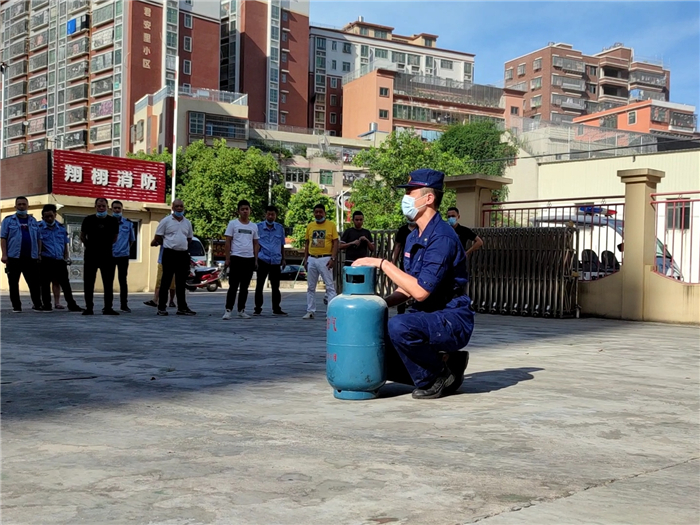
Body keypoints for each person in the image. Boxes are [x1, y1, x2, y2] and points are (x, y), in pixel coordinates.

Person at [352, 168, 474, 400]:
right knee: (375, 330)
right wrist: (379, 304)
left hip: (451, 316)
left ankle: (437, 375)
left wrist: (382, 264)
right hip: (427, 315)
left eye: (410, 192)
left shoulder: (442, 238)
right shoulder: (413, 236)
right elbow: (408, 287)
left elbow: (419, 291)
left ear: (428, 198)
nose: (405, 198)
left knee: (399, 327)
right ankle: (449, 364)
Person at [151, 199, 196, 316]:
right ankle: (161, 307)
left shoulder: (187, 223)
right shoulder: (166, 221)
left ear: (184, 208)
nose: (179, 208)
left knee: (181, 282)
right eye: (177, 206)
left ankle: (182, 307)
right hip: (169, 253)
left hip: (182, 254)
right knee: (166, 281)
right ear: (172, 207)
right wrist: (168, 243)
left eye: (181, 206)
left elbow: (189, 238)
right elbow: (158, 237)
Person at [37, 204, 83, 312]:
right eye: (46, 217)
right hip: (46, 259)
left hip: (59, 260)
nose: (49, 219)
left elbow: (64, 244)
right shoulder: (39, 228)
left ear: (55, 215)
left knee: (65, 284)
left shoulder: (61, 228)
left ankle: (71, 304)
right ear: (43, 217)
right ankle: (47, 305)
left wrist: (66, 257)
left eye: (51, 216)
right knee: (45, 284)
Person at [1, 196, 43, 312]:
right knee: (13, 283)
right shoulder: (8, 220)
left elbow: (39, 238)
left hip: (31, 257)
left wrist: (39, 253)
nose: (21, 206)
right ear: (15, 206)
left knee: (34, 283)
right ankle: (16, 306)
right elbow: (3, 238)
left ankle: (37, 304)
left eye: (24, 204)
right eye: (19, 204)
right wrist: (4, 254)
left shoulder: (33, 221)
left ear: (28, 206)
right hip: (14, 257)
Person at [80, 197, 120, 315]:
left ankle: (108, 308)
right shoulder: (88, 220)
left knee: (108, 283)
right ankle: (89, 308)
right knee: (88, 283)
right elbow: (82, 236)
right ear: (95, 207)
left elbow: (115, 238)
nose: (101, 208)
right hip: (91, 255)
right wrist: (89, 245)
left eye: (103, 206)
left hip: (107, 255)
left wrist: (105, 246)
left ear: (107, 207)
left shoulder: (113, 221)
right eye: (99, 206)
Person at [222, 200, 259, 320]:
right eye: (242, 209)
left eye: (247, 209)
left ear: (250, 210)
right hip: (236, 257)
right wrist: (227, 258)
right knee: (233, 286)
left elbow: (256, 243)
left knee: (245, 287)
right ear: (238, 211)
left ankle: (241, 310)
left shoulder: (254, 226)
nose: (245, 211)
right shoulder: (233, 224)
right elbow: (228, 241)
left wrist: (255, 259)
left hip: (249, 259)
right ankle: (228, 310)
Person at [303, 204, 338, 320]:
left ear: (324, 213)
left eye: (320, 212)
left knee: (329, 286)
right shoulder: (310, 226)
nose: (318, 214)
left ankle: (331, 312)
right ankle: (310, 311)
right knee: (310, 287)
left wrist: (333, 258)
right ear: (314, 213)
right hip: (312, 258)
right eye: (316, 212)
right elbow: (307, 243)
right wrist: (306, 259)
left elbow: (335, 242)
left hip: (325, 258)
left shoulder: (331, 225)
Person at [254, 205, 287, 316]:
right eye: (268, 214)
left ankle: (276, 308)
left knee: (275, 286)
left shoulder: (280, 228)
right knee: (259, 285)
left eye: (273, 214)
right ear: (265, 215)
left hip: (276, 261)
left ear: (276, 216)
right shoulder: (258, 227)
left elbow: (282, 244)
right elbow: (255, 244)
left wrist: (283, 259)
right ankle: (257, 308)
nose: (270, 216)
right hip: (262, 259)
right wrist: (255, 259)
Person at [110, 200, 136, 313]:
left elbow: (131, 240)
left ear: (122, 209)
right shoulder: (107, 222)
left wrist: (125, 249)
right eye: (115, 208)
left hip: (123, 256)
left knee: (123, 281)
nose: (117, 210)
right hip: (110, 256)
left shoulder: (128, 223)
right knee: (108, 281)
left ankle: (124, 305)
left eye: (119, 208)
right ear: (111, 209)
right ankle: (108, 305)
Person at [391, 220, 417, 315]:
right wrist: (393, 261)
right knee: (402, 285)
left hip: (417, 262)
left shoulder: (421, 229)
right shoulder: (402, 230)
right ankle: (400, 311)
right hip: (405, 263)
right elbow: (398, 246)